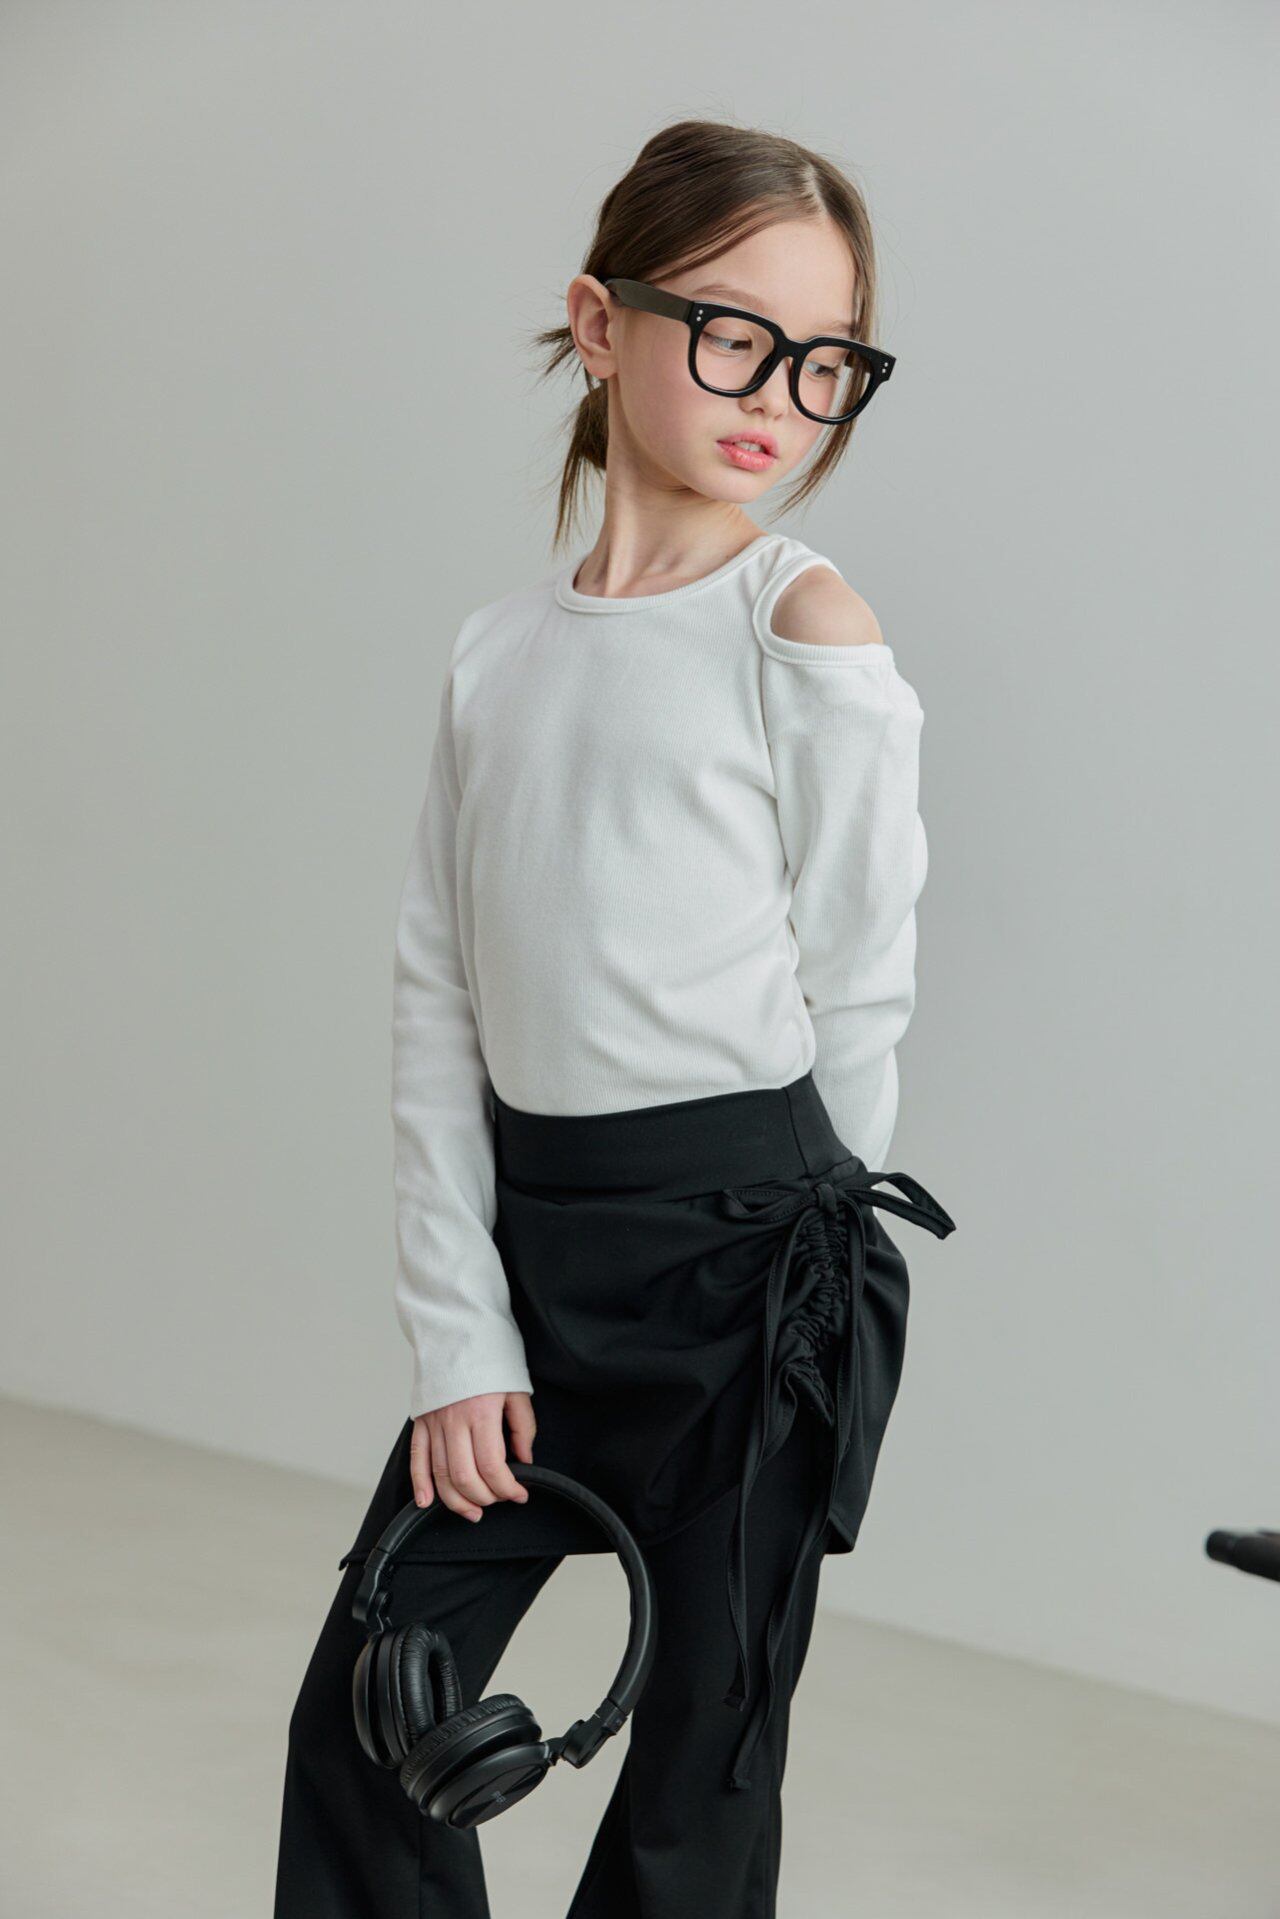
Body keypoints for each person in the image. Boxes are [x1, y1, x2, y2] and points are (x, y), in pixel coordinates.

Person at [272, 115, 956, 1918]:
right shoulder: (498, 653)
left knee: (696, 1785)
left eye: (827, 360)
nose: (780, 396)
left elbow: (862, 980)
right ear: (600, 322)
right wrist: (459, 1333)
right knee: (374, 1711)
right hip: (539, 1249)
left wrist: (806, 1287)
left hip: (754, 1268)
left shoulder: (802, 625)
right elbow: (439, 999)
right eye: (734, 335)